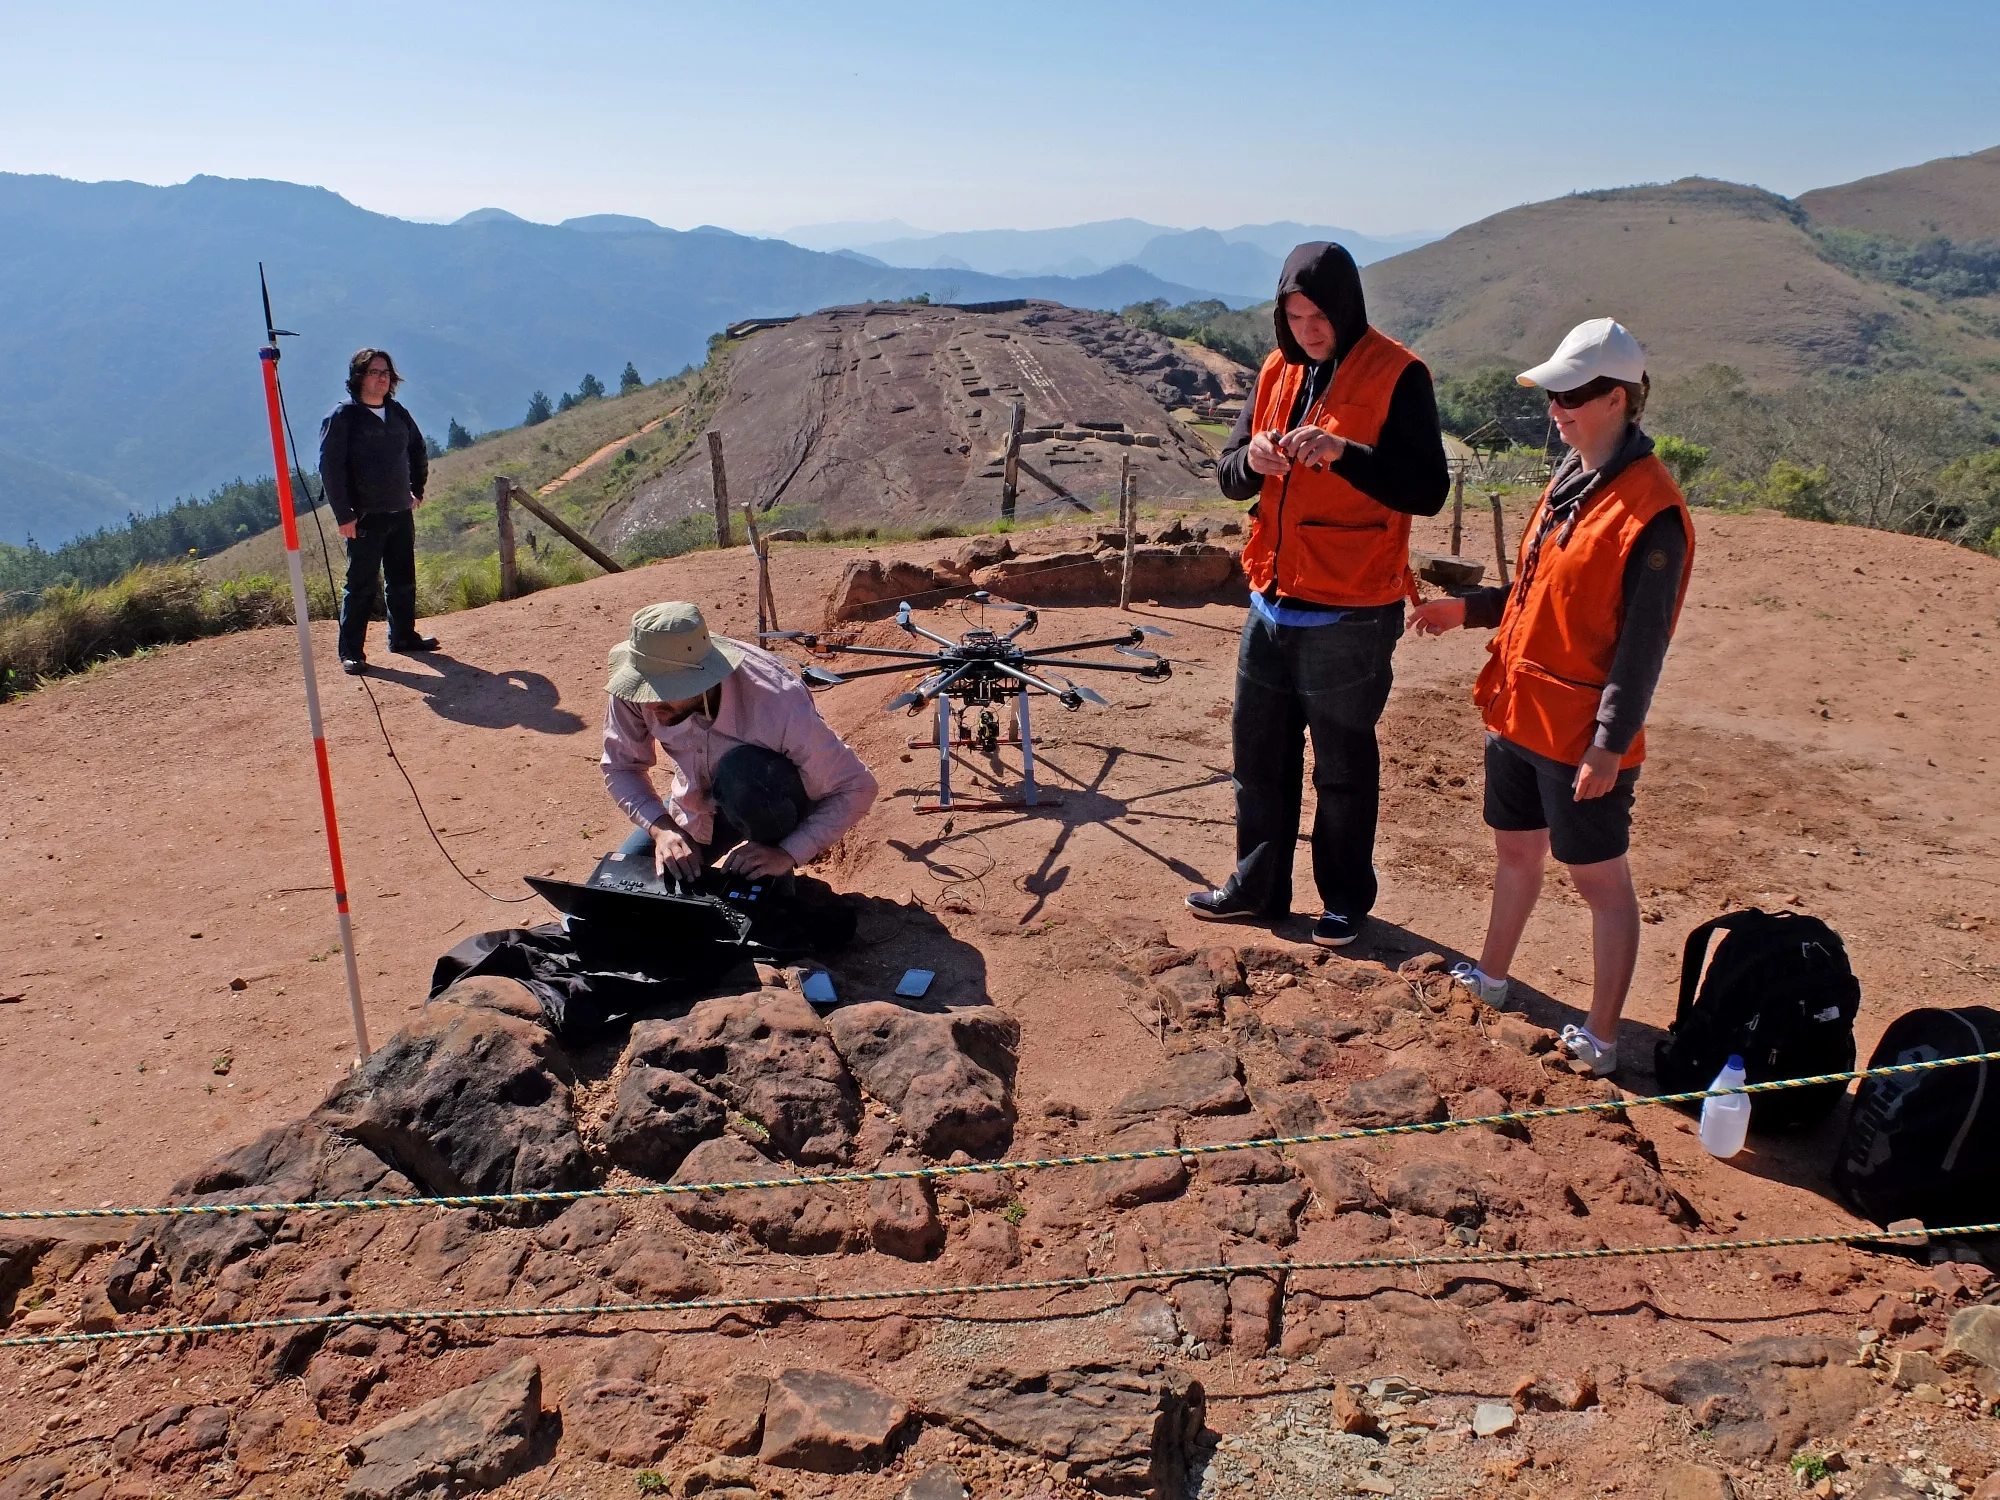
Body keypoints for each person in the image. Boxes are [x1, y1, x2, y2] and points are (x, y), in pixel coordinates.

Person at [1410, 318, 1694, 1076]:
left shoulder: (1653, 512)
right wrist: (1462, 611)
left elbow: (1643, 647)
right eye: (1554, 395)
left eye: (1572, 395)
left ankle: (1601, 1039)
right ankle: (1492, 978)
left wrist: (1608, 744)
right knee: (1515, 852)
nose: (1556, 408)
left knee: (1600, 884)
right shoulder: (1570, 478)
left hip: (1580, 739)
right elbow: (1534, 593)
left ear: (1620, 399)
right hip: (1518, 713)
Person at [1187, 242, 1450, 947]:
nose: (1307, 328)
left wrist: (1345, 454)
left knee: (1342, 768)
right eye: (1294, 314)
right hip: (1271, 598)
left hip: (1352, 608)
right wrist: (1254, 459)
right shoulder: (1278, 368)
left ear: (1347, 306)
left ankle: (1343, 903)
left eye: (1318, 314)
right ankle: (1258, 888)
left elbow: (1428, 489)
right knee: (1258, 759)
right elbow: (1228, 470)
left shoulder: (1399, 374)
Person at [601, 602, 879, 881]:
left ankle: (769, 877)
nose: (649, 704)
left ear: (702, 680)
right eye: (644, 688)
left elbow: (857, 786)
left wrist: (787, 852)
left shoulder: (776, 700)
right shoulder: (635, 688)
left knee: (741, 772)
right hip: (697, 799)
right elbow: (622, 767)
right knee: (623, 887)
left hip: (767, 796)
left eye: (662, 691)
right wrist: (662, 829)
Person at [319, 348, 437, 675]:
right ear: (358, 377)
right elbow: (331, 469)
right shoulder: (343, 418)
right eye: (374, 371)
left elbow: (418, 450)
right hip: (364, 517)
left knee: (402, 580)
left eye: (385, 372)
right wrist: (344, 515)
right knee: (361, 586)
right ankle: (351, 652)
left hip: (400, 511)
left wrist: (417, 489)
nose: (381, 377)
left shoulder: (398, 413)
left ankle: (403, 637)